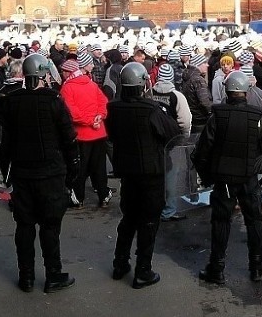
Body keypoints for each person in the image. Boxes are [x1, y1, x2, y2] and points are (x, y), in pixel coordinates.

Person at [0, 53, 79, 293]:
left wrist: (6, 174)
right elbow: (69, 138)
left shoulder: (12, 101)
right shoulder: (53, 100)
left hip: (23, 174)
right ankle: (53, 274)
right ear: (44, 75)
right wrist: (73, 171)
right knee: (50, 227)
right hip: (50, 173)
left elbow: (5, 144)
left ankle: (27, 277)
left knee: (25, 227)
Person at [192, 72, 262, 284]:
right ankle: (256, 268)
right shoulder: (257, 118)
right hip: (249, 179)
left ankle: (217, 268)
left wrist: (208, 177)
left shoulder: (217, 117)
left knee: (221, 222)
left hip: (225, 179)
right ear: (246, 92)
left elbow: (201, 153)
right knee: (254, 222)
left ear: (227, 92)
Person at [105, 62, 182, 288]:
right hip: (150, 173)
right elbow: (172, 133)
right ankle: (143, 270)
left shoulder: (114, 107)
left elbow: (112, 134)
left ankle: (120, 263)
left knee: (128, 218)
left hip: (128, 171)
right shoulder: (151, 109)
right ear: (143, 84)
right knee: (148, 221)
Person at [59, 51, 110, 208]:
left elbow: (71, 113)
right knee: (99, 167)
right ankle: (103, 195)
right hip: (99, 133)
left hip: (81, 135)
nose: (62, 74)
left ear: (68, 72)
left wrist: (88, 121)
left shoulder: (67, 88)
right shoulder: (91, 83)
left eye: (63, 71)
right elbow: (104, 101)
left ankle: (78, 198)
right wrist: (99, 117)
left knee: (79, 169)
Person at [151, 63, 192, 221]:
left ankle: (155, 206)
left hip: (154, 139)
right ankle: (169, 210)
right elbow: (185, 120)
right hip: (173, 140)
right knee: (171, 177)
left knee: (156, 174)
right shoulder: (177, 96)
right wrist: (184, 137)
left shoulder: (150, 92)